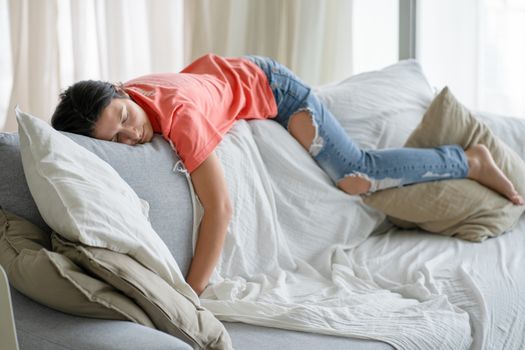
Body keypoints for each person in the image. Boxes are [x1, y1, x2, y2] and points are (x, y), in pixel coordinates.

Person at [51, 53, 524, 295]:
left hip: (276, 88)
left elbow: (221, 207)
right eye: (112, 140)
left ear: (121, 91)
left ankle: (468, 160)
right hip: (232, 70)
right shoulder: (122, 100)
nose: (130, 138)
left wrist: (191, 293)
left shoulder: (178, 118)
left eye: (125, 119)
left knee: (355, 174)